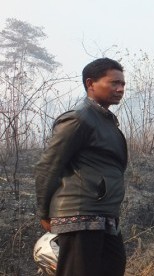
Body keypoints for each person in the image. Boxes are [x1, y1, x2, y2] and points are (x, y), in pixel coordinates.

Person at [35, 57, 128, 276]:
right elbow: (48, 166)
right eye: (114, 82)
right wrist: (44, 211)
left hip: (104, 216)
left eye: (122, 84)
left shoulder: (105, 120)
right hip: (80, 216)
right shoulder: (79, 119)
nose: (120, 88)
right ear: (90, 84)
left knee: (114, 267)